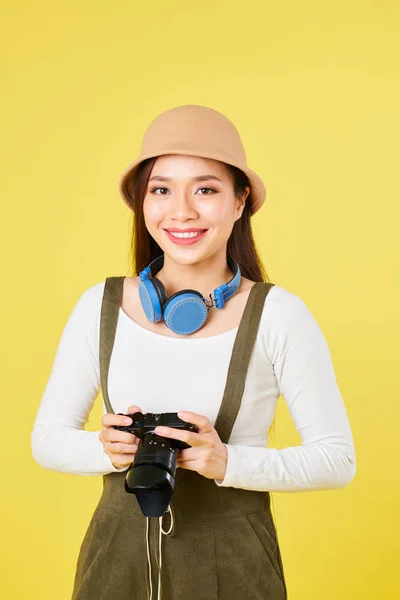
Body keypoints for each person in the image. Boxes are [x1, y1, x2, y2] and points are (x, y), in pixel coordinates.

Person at [31, 104, 356, 600]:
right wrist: (105, 450)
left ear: (240, 200)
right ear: (143, 202)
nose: (181, 211)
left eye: (205, 189)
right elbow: (47, 440)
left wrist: (226, 462)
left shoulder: (279, 315)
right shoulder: (100, 305)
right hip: (113, 566)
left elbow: (337, 460)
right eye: (161, 189)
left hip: (236, 568)